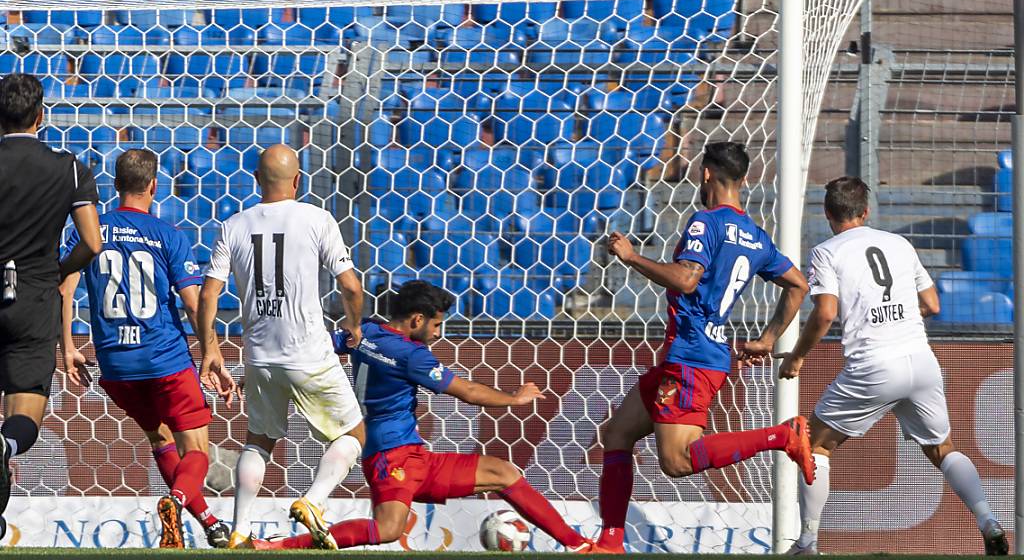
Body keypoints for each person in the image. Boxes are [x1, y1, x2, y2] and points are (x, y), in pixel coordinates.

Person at [250, 280, 594, 552]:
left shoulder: (365, 332)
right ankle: (280, 545)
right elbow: (468, 392)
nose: (437, 333)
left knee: (501, 472)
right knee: (387, 530)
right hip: (392, 458)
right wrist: (516, 399)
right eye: (436, 324)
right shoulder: (412, 355)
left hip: (409, 455)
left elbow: (319, 346)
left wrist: (264, 369)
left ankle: (578, 546)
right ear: (417, 319)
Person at [594, 141, 814, 553]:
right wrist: (768, 339)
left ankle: (782, 437)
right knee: (618, 432)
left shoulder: (705, 222)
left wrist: (632, 257)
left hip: (692, 356)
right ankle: (610, 542)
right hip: (696, 354)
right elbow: (799, 286)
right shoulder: (754, 235)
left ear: (706, 174)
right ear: (744, 181)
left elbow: (686, 279)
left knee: (677, 461)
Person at [778, 177, 1008, 556]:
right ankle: (987, 520)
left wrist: (798, 357)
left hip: (874, 364)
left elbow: (825, 313)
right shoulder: (899, 243)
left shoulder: (825, 252)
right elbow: (932, 304)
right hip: (921, 360)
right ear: (866, 211)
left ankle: (807, 542)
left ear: (827, 213)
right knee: (942, 448)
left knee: (813, 444)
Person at [58, 149, 232, 548]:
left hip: (117, 366)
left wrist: (67, 346)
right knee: (197, 451)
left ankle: (207, 523)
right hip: (165, 359)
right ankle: (176, 500)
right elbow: (192, 301)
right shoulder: (168, 234)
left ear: (115, 186)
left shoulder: (91, 229)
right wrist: (211, 351)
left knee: (160, 438)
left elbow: (64, 288)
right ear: (154, 186)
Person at [198, 144, 366, 549]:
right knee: (354, 433)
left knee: (258, 438)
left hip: (260, 355)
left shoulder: (233, 225)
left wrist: (211, 349)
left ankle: (239, 530)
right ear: (298, 180)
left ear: (256, 180)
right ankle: (313, 500)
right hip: (308, 352)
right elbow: (350, 285)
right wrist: (354, 323)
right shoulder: (317, 219)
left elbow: (208, 296)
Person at [0, 73, 102, 537]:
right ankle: (6, 446)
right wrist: (59, 271)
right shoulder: (71, 168)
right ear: (42, 116)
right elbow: (92, 242)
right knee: (24, 416)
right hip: (35, 296)